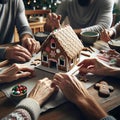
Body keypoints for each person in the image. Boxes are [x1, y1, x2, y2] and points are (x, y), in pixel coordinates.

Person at [44, 0, 114, 36]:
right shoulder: (67, 2)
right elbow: (51, 27)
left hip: (97, 44)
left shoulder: (105, 1)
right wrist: (49, 24)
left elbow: (103, 27)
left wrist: (68, 32)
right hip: (73, 41)